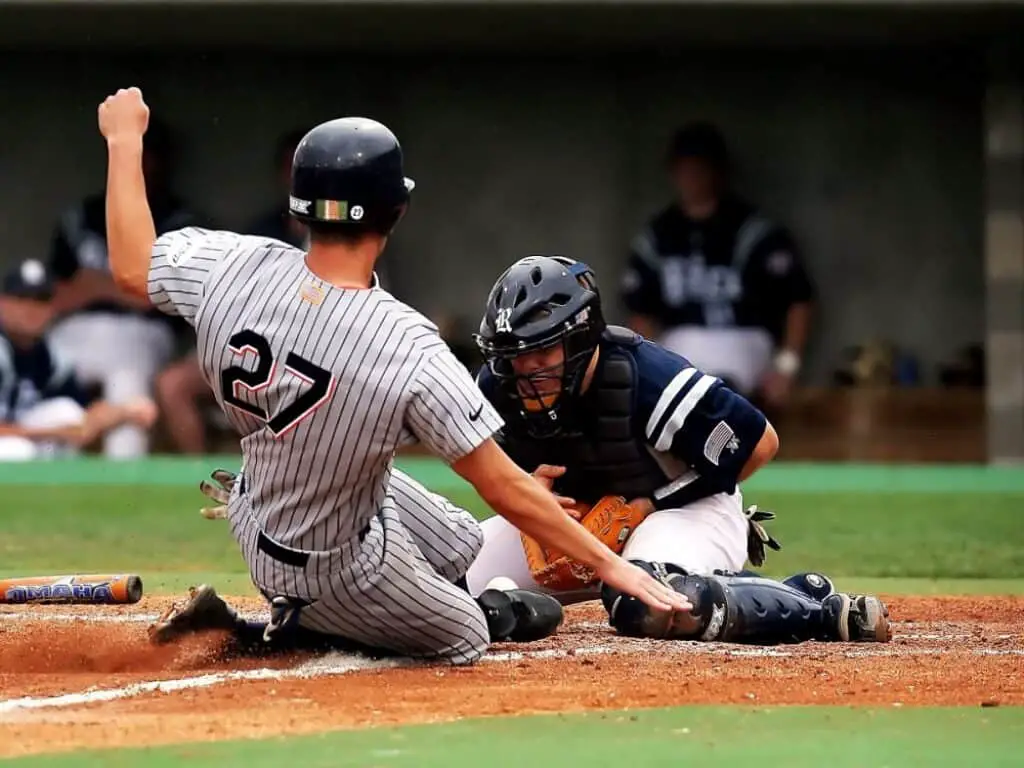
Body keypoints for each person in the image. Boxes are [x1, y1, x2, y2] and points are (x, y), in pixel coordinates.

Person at [96, 87, 688, 665]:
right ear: (395, 212)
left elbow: (131, 266)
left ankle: (352, 604)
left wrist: (125, 142)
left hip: (258, 504)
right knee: (468, 633)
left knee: (464, 541)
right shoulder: (406, 343)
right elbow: (503, 487)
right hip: (330, 565)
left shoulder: (232, 263)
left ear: (299, 204)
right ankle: (281, 627)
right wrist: (614, 566)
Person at [465, 254, 890, 644]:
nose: (525, 369)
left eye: (541, 351)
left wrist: (648, 505)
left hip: (687, 512)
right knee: (448, 576)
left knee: (650, 604)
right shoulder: (499, 385)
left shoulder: (647, 378)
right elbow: (498, 472)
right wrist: (528, 494)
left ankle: (814, 607)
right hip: (574, 523)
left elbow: (760, 443)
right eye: (514, 355)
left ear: (581, 337)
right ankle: (528, 613)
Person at [621, 121, 814, 413]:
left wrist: (786, 367)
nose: (691, 177)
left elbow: (799, 298)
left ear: (718, 171)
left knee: (716, 389)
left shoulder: (755, 231)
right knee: (678, 379)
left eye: (699, 167)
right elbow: (640, 314)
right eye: (684, 168)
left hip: (745, 337)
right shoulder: (658, 235)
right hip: (681, 338)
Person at [46, 116, 200, 459]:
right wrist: (125, 286)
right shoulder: (81, 216)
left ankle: (123, 478)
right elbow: (55, 297)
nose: (138, 161)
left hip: (141, 332)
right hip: (76, 328)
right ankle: (46, 483)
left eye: (145, 153)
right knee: (50, 383)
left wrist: (99, 285)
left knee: (127, 383)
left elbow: (160, 296)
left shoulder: (180, 221)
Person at [154, 129, 309, 455]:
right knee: (173, 384)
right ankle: (196, 474)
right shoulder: (263, 230)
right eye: (292, 167)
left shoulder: (350, 230)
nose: (298, 177)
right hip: (256, 345)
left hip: (315, 355)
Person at [0, 258, 157, 461]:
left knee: (67, 412)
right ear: (3, 304)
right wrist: (53, 433)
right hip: (13, 445)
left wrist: (125, 412)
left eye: (41, 299)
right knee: (18, 450)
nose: (31, 308)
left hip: (20, 438)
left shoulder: (49, 357)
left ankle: (52, 491)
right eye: (22, 298)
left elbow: (82, 421)